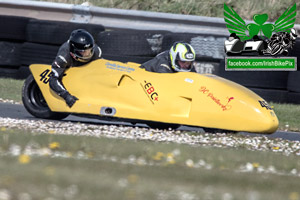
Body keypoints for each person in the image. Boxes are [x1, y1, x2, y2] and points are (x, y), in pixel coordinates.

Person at [49, 29, 102, 108]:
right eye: (83, 52)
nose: (87, 54)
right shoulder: (63, 57)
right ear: (73, 51)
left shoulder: (96, 52)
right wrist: (66, 96)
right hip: (70, 64)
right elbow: (53, 79)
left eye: (89, 51)